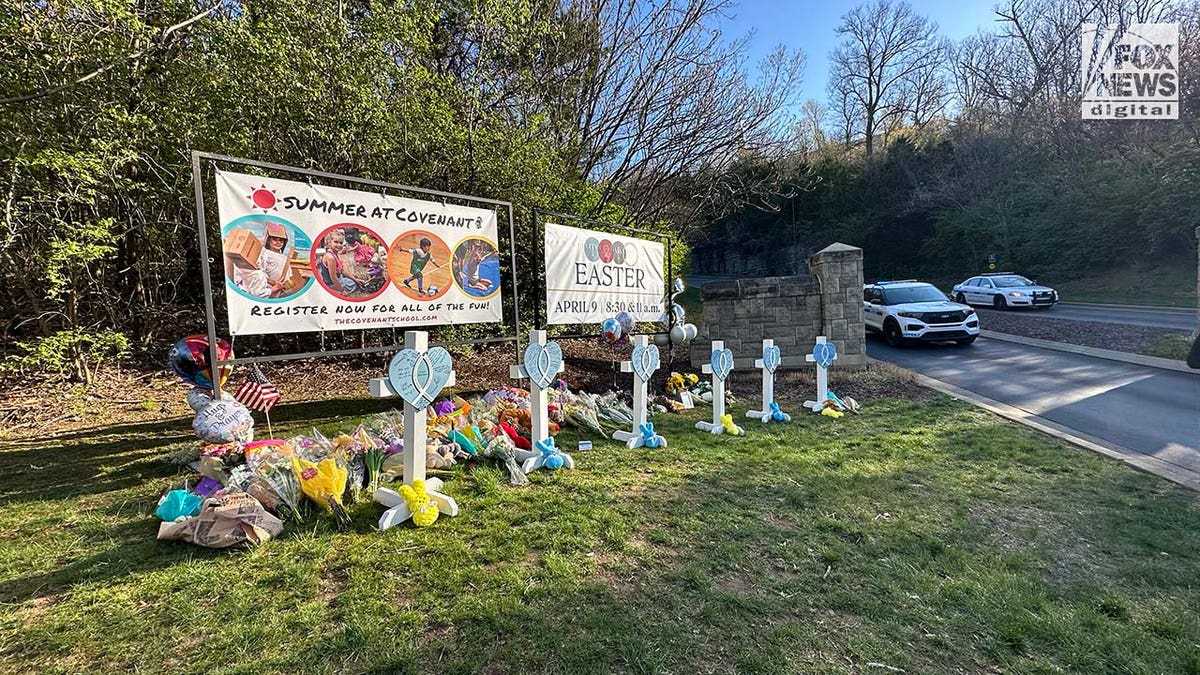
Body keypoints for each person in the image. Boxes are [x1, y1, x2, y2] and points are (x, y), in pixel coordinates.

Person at [233, 221, 291, 298]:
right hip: (270, 291)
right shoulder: (265, 253)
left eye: (281, 240)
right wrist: (274, 285)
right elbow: (261, 273)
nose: (278, 242)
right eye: (275, 239)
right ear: (269, 240)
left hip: (282, 289)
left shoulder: (284, 257)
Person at [318, 229, 369, 295]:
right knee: (354, 285)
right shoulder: (331, 258)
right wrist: (342, 290)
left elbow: (341, 270)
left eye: (341, 243)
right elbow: (333, 278)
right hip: (332, 283)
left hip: (339, 278)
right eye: (336, 242)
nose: (339, 245)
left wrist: (355, 279)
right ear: (329, 243)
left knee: (355, 280)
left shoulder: (335, 253)